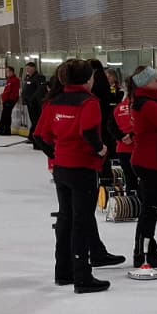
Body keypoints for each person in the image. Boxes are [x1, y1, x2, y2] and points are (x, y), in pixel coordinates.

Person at [33, 58, 121, 291]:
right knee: (81, 221)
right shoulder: (89, 102)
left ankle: (63, 271)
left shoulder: (54, 101)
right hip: (82, 168)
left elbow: (39, 135)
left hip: (61, 168)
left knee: (65, 218)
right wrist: (101, 149)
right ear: (86, 80)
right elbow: (89, 131)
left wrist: (56, 152)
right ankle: (82, 276)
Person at [127, 67, 157, 269]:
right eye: (156, 80)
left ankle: (147, 249)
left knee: (149, 209)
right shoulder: (148, 105)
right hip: (151, 162)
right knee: (150, 209)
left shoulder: (143, 102)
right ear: (145, 84)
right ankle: (143, 253)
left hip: (147, 159)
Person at [113, 78, 137, 187]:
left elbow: (110, 125)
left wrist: (121, 137)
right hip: (137, 147)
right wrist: (131, 136)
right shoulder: (140, 106)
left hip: (122, 148)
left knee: (129, 179)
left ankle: (131, 201)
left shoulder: (118, 108)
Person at [21, 61, 46, 138]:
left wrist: (32, 99)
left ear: (34, 68)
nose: (27, 70)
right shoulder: (29, 78)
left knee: (36, 120)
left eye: (29, 68)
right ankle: (32, 136)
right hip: (30, 103)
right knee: (33, 120)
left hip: (35, 103)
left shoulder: (39, 77)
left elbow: (40, 90)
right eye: (26, 69)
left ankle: (35, 137)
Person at [0, 65, 20, 137]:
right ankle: (4, 129)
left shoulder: (15, 80)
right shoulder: (9, 80)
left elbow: (14, 91)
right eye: (6, 72)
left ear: (12, 72)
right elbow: (7, 90)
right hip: (6, 100)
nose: (7, 73)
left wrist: (10, 100)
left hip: (10, 100)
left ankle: (5, 129)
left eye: (8, 71)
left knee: (6, 115)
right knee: (5, 115)